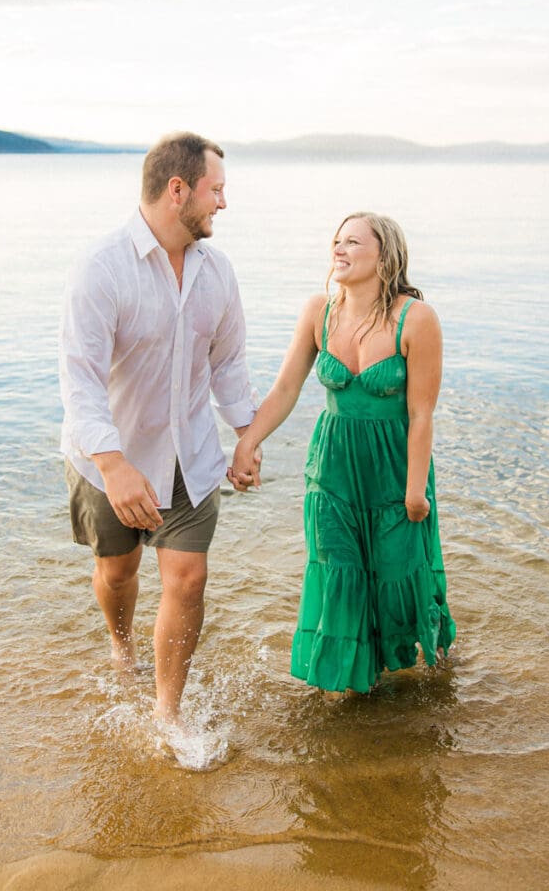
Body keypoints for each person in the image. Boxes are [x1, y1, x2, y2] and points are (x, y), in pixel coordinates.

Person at [59, 131, 257, 724]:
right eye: (215, 190)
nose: (223, 203)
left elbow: (228, 366)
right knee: (117, 574)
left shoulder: (218, 273)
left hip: (190, 456)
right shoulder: (101, 268)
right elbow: (80, 380)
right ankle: (122, 647)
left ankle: (167, 714)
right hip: (110, 459)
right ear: (178, 191)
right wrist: (113, 465)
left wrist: (245, 436)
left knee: (188, 578)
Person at [229, 212, 455, 693]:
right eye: (336, 240)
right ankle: (351, 687)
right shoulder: (319, 311)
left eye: (352, 242)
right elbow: (286, 388)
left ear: (384, 255)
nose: (339, 249)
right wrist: (248, 441)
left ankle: (425, 680)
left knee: (398, 576)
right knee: (338, 572)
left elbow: (421, 416)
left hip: (396, 470)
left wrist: (416, 492)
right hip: (332, 469)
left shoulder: (416, 319)